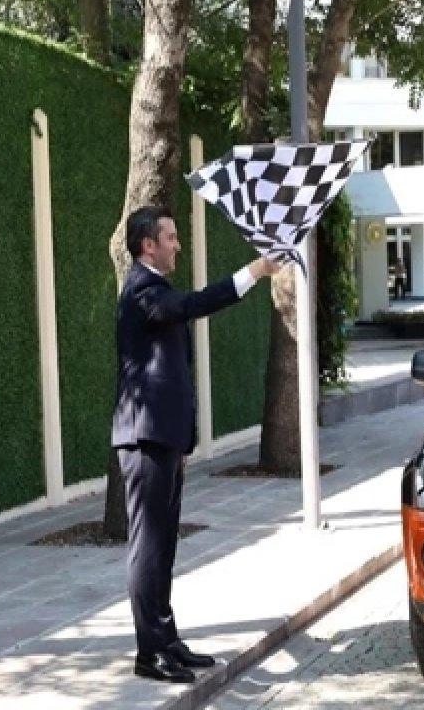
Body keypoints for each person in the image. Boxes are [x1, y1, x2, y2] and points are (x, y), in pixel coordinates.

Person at [111, 206, 279, 683]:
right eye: (171, 237)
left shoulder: (153, 289)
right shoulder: (143, 290)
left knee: (163, 545)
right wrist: (253, 272)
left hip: (162, 437)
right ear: (148, 245)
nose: (178, 245)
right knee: (148, 547)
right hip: (144, 437)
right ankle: (150, 653)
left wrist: (182, 438)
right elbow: (191, 305)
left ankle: (167, 642)